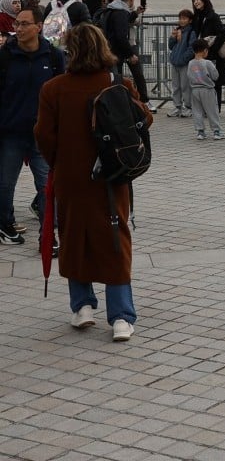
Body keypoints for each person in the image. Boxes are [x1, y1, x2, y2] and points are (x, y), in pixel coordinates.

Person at [35, 23, 152, 342]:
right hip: (112, 176)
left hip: (71, 176)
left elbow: (43, 136)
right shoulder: (118, 83)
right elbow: (144, 119)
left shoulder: (53, 89)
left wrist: (61, 162)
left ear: (70, 52)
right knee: (114, 237)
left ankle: (82, 306)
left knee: (74, 236)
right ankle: (121, 317)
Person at [1, 8, 65, 246]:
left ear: (39, 27)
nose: (18, 28)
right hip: (11, 133)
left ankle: (48, 236)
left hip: (43, 134)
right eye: (17, 24)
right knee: (5, 185)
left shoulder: (53, 56)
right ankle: (5, 225)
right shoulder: (5, 56)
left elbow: (61, 93)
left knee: (47, 186)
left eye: (24, 24)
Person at [99, 0, 155, 111]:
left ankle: (120, 103)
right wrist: (130, 54)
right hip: (118, 51)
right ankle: (123, 104)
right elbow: (120, 36)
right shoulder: (120, 12)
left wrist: (135, 13)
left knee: (118, 76)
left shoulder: (115, 9)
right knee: (120, 77)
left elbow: (123, 23)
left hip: (113, 49)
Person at [190, 0, 225, 107]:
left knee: (214, 82)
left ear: (204, 0)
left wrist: (211, 49)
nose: (196, 2)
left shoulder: (212, 16)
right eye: (194, 0)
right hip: (200, 55)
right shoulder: (197, 17)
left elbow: (222, 33)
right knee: (202, 81)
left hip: (212, 55)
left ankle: (215, 108)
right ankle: (205, 107)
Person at [187, 39, 223, 141]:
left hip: (195, 90)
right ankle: (216, 131)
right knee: (212, 110)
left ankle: (200, 132)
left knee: (197, 111)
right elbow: (215, 76)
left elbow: (188, 76)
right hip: (207, 89)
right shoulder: (208, 63)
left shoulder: (190, 63)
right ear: (205, 51)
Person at [165, 9, 196, 117]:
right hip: (175, 62)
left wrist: (183, 59)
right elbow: (170, 46)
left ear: (190, 20)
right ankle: (177, 106)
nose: (181, 21)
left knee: (185, 86)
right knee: (176, 86)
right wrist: (172, 37)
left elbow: (192, 48)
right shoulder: (177, 30)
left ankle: (188, 107)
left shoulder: (191, 32)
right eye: (180, 18)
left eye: (184, 18)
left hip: (184, 63)